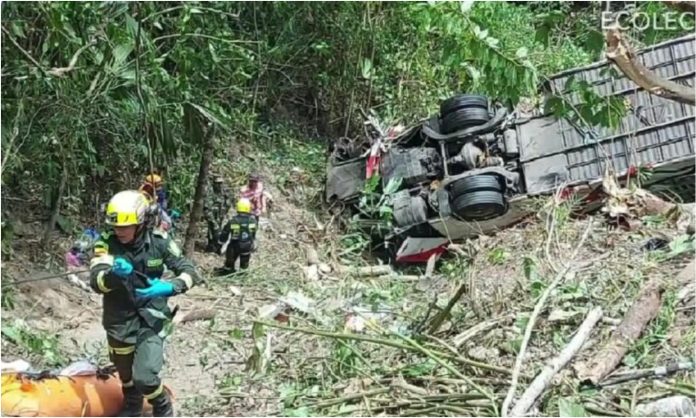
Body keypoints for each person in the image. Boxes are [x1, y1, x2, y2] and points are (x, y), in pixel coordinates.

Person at [89, 190, 200, 417]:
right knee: (126, 373)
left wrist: (171, 286)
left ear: (140, 223)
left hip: (153, 316)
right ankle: (133, 405)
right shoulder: (105, 244)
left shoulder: (159, 242)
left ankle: (161, 404)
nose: (119, 231)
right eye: (116, 227)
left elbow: (189, 270)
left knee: (145, 376)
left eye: (125, 227)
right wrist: (114, 275)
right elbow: (97, 282)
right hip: (119, 319)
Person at [215, 198, 257, 276]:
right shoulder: (253, 221)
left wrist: (219, 244)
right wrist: (253, 244)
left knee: (230, 261)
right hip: (247, 245)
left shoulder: (233, 221)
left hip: (235, 245)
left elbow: (225, 233)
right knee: (244, 263)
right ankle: (243, 274)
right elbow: (253, 234)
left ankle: (228, 271)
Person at [203, 176, 232, 253]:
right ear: (214, 183)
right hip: (212, 215)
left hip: (221, 215)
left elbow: (228, 203)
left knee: (220, 230)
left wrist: (225, 211)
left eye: (221, 183)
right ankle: (211, 246)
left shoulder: (223, 191)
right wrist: (213, 221)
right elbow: (206, 209)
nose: (219, 185)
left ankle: (217, 246)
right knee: (213, 229)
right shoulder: (210, 192)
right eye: (217, 183)